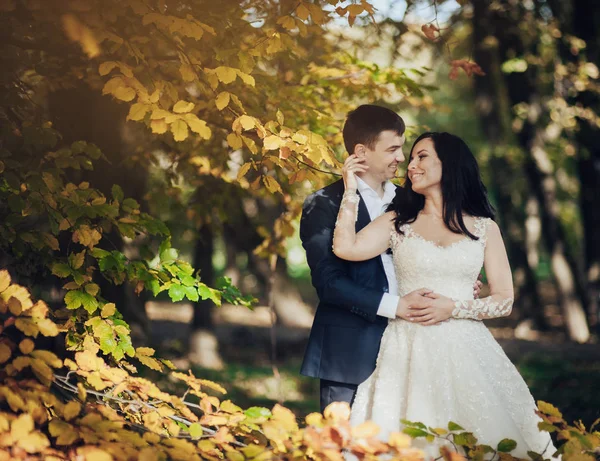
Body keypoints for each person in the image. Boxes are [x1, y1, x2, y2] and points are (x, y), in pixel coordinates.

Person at [332, 131, 556, 458]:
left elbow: (504, 298)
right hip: (406, 348)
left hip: (469, 351)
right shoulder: (398, 221)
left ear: (448, 164)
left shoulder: (484, 228)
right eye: (411, 158)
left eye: (422, 156)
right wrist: (350, 190)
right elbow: (345, 248)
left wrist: (454, 307)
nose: (411, 165)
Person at [299, 106, 481, 413]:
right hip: (350, 352)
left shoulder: (411, 201)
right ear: (361, 152)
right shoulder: (323, 204)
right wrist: (396, 306)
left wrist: (456, 281)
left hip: (417, 345)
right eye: (393, 149)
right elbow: (329, 283)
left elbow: (431, 254)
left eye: (403, 148)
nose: (402, 158)